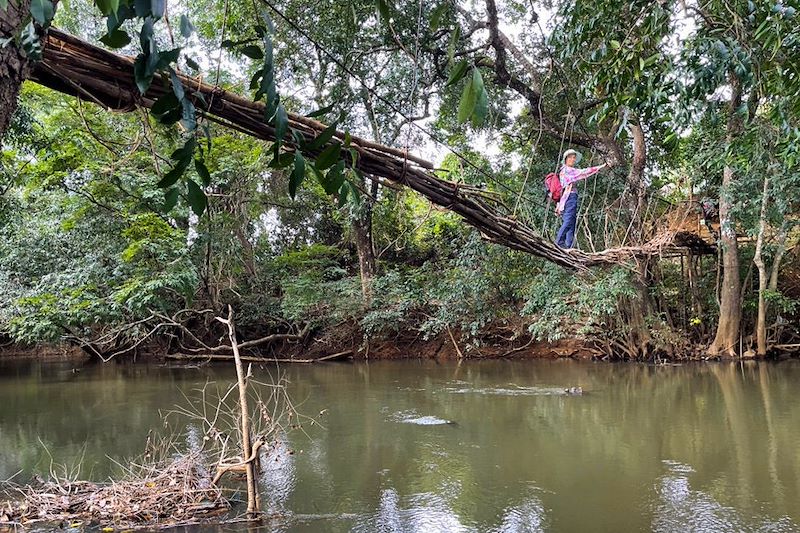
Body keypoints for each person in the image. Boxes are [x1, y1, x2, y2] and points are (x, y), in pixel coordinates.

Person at [555, 149, 607, 249]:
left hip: (565, 199)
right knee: (569, 220)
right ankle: (559, 241)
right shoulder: (567, 170)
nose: (573, 159)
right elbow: (583, 172)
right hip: (569, 197)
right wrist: (600, 167)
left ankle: (568, 246)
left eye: (574, 157)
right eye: (571, 157)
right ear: (566, 159)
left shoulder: (563, 170)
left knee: (571, 222)